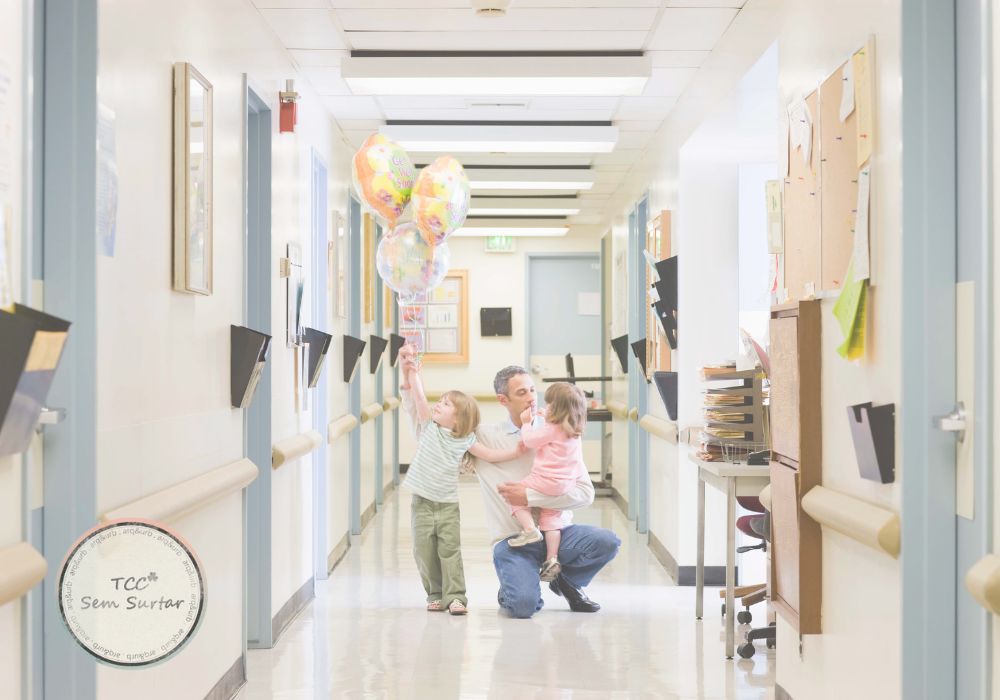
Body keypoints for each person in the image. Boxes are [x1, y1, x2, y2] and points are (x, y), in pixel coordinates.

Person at [400, 346, 620, 619]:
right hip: (512, 540)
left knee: (607, 541)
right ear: (503, 400)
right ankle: (514, 587)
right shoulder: (484, 437)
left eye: (532, 390)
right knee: (522, 607)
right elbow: (428, 429)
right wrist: (409, 377)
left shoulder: (561, 435)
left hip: (557, 533)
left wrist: (530, 498)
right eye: (521, 393)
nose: (531, 398)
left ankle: (567, 581)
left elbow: (585, 493)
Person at [400, 349, 524, 616]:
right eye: (440, 402)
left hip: (447, 506)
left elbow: (490, 455)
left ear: (458, 419)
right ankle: (434, 593)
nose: (437, 406)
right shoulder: (429, 428)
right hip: (421, 503)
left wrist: (517, 451)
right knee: (423, 551)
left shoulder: (465, 440)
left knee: (450, 552)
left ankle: (455, 597)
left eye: (445, 405)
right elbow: (419, 397)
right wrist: (413, 371)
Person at [507, 382, 590, 587]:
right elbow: (554, 437)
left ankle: (529, 530)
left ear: (558, 409)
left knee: (515, 496)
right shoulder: (573, 431)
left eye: (550, 405)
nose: (547, 407)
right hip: (565, 484)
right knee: (551, 517)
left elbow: (530, 441)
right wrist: (545, 419)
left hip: (545, 480)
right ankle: (551, 558)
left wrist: (527, 423)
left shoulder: (552, 429)